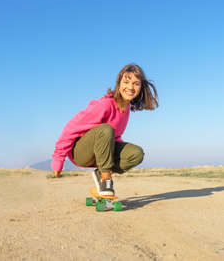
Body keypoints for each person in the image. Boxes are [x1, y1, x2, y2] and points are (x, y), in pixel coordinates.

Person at [51, 63, 158, 196]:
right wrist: (58, 159)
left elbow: (115, 135)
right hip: (80, 152)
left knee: (136, 153)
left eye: (136, 83)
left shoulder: (127, 108)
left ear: (141, 87)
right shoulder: (105, 104)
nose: (130, 87)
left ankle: (101, 172)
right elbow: (71, 128)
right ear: (119, 83)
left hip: (101, 152)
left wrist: (118, 150)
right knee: (106, 129)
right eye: (126, 82)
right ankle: (106, 180)